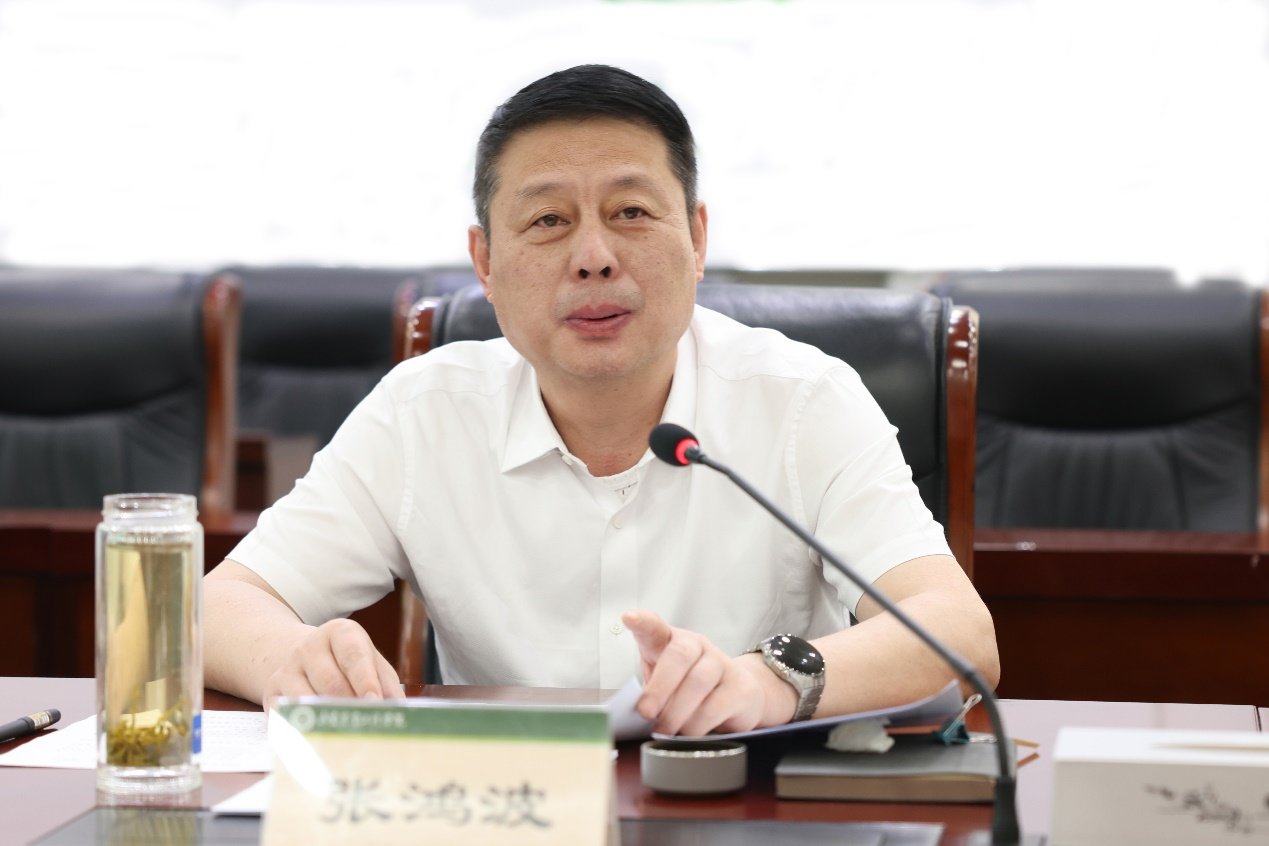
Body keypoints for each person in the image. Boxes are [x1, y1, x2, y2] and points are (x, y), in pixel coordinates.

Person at [205, 64, 999, 738]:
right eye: (548, 220)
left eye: (630, 213)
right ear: (485, 261)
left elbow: (958, 636)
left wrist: (767, 683)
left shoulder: (801, 403)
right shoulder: (422, 414)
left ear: (696, 239)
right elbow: (216, 606)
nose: (593, 257)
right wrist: (291, 660)